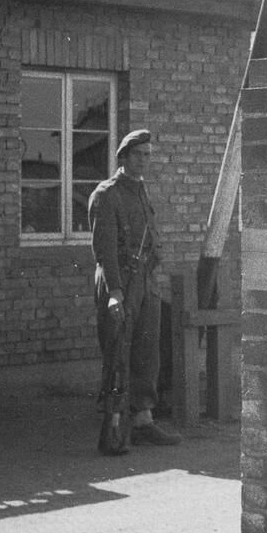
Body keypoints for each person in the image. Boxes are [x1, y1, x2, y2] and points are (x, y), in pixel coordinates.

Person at [89, 129, 181, 451]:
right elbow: (105, 250)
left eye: (147, 155)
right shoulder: (107, 194)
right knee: (117, 353)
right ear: (124, 157)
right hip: (120, 282)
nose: (144, 160)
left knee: (147, 352)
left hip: (144, 281)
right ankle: (113, 425)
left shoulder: (140, 191)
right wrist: (114, 292)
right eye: (138, 155)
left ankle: (143, 420)